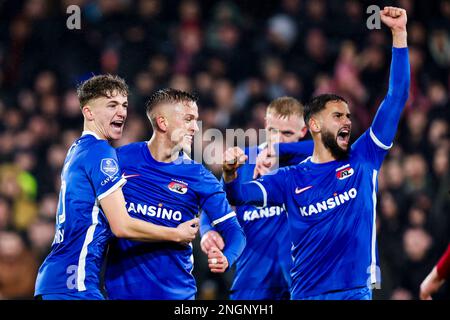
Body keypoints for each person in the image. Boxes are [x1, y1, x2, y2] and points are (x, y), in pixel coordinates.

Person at [221, 7, 410, 300]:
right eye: (337, 115)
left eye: (348, 115)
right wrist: (230, 174)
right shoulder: (289, 179)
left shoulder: (364, 157)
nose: (347, 121)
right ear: (314, 125)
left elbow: (396, 97)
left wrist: (399, 35)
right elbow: (237, 195)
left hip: (353, 292)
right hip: (305, 295)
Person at [34, 75, 199, 300]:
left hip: (61, 279)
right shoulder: (101, 153)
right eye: (111, 105)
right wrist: (175, 234)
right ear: (88, 112)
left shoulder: (78, 149)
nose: (121, 112)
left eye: (124, 105)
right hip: (74, 283)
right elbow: (122, 225)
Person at [104, 88, 246, 300]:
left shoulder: (199, 176)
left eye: (195, 120)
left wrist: (226, 258)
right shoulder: (120, 160)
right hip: (121, 294)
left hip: (176, 296)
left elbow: (234, 232)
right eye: (188, 119)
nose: (194, 128)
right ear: (163, 123)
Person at [199, 97, 313, 300]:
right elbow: (214, 205)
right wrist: (208, 232)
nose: (278, 139)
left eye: (287, 133)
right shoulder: (244, 161)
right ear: (265, 126)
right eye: (272, 131)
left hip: (300, 281)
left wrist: (276, 152)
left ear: (303, 132)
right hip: (252, 282)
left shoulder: (310, 164)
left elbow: (342, 149)